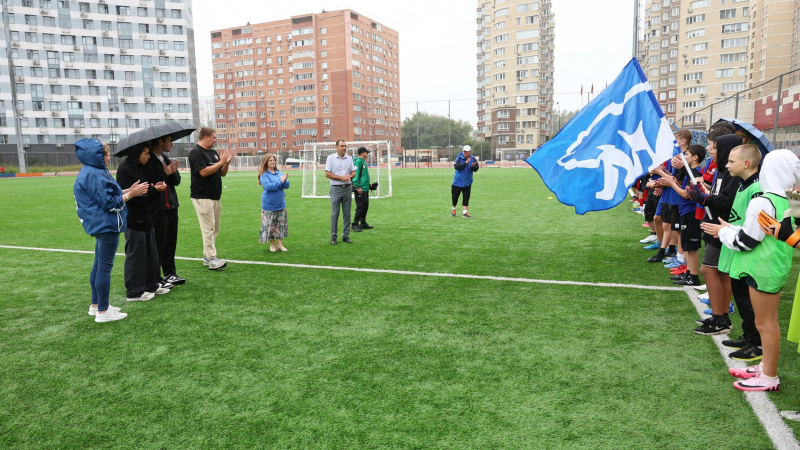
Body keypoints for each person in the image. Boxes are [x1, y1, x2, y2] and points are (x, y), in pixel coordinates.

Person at [703, 148, 799, 392]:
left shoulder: (762, 201)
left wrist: (723, 232)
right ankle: (766, 367)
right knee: (768, 322)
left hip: (761, 267)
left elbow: (746, 242)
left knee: (765, 324)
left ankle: (769, 377)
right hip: (774, 265)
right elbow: (764, 233)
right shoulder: (788, 199)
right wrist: (732, 230)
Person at [74, 138, 148, 322]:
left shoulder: (90, 171)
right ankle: (103, 311)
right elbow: (109, 203)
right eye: (106, 155)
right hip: (105, 224)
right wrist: (130, 195)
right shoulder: (95, 174)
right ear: (98, 156)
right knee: (104, 267)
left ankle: (96, 305)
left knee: (99, 264)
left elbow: (106, 195)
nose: (108, 158)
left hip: (99, 223)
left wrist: (127, 191)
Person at [688, 131, 741, 335]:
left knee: (708, 270)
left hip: (723, 227)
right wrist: (705, 191)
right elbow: (719, 195)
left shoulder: (731, 174)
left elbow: (726, 201)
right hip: (715, 224)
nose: (710, 150)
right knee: (720, 272)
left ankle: (720, 319)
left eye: (714, 147)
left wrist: (704, 198)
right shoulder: (721, 171)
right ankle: (721, 317)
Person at [116, 142, 171, 302]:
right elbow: (134, 197)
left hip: (148, 217)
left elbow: (148, 189)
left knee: (151, 254)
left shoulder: (143, 167)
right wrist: (154, 190)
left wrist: (157, 186)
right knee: (135, 256)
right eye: (146, 153)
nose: (148, 156)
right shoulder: (125, 169)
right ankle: (134, 291)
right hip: (134, 219)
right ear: (137, 153)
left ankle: (151, 284)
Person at [189, 127, 232, 270]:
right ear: (206, 137)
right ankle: (212, 258)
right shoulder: (196, 152)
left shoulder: (213, 153)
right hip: (202, 196)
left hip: (215, 196)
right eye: (214, 137)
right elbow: (203, 172)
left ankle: (207, 257)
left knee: (215, 228)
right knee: (208, 228)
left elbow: (222, 173)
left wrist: (226, 162)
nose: (215, 140)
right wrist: (221, 162)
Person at [148, 135, 185, 286]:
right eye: (169, 141)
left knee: (171, 240)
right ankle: (156, 278)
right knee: (159, 242)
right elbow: (151, 182)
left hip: (172, 205)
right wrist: (164, 173)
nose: (172, 143)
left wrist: (173, 172)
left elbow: (176, 182)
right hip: (158, 207)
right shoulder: (149, 159)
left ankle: (170, 273)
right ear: (160, 142)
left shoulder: (165, 158)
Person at [325, 139, 356, 245]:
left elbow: (354, 172)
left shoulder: (349, 158)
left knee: (347, 214)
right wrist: (341, 178)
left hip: (347, 188)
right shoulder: (330, 158)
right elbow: (327, 174)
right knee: (335, 214)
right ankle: (333, 237)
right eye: (342, 146)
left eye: (345, 146)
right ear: (336, 147)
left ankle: (345, 235)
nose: (344, 148)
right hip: (335, 188)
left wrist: (350, 176)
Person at [258, 154, 290, 252]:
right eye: (270, 160)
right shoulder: (264, 175)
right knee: (270, 225)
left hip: (280, 203)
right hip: (269, 204)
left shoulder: (279, 173)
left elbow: (287, 185)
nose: (272, 162)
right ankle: (272, 244)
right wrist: (281, 181)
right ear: (266, 162)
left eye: (273, 160)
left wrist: (285, 180)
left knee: (281, 224)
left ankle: (280, 244)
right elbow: (269, 187)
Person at [451, 145, 479, 218]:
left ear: (470, 152)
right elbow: (456, 167)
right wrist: (465, 163)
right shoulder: (459, 158)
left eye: (466, 151)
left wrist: (473, 167)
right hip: (457, 182)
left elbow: (476, 168)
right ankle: (453, 209)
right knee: (455, 197)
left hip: (467, 182)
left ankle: (465, 212)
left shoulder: (473, 159)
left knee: (466, 197)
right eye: (464, 151)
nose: (465, 153)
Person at [352, 146, 373, 232]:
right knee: (360, 206)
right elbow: (355, 175)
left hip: (365, 187)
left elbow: (363, 175)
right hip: (360, 188)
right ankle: (355, 223)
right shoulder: (358, 162)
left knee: (365, 206)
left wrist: (368, 184)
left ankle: (363, 222)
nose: (367, 154)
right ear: (363, 153)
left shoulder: (363, 161)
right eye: (367, 152)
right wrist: (358, 186)